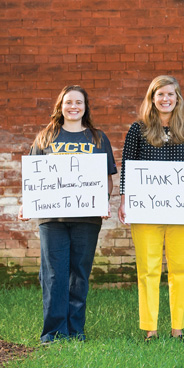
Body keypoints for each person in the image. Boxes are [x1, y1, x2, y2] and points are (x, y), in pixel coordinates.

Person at [118, 75, 184, 340]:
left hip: (182, 210)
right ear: (152, 98)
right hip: (146, 210)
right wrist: (124, 200)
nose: (165, 99)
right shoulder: (138, 129)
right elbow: (127, 167)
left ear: (177, 98)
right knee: (148, 270)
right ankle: (150, 328)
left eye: (170, 94)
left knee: (180, 268)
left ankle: (178, 328)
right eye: (160, 94)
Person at [18, 85, 117, 344]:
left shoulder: (97, 138)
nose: (73, 107)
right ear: (60, 106)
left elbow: (107, 179)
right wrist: (25, 203)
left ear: (86, 107)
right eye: (68, 102)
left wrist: (104, 201)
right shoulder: (45, 137)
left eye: (79, 103)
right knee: (53, 274)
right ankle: (53, 333)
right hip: (52, 220)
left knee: (79, 273)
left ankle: (76, 331)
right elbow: (33, 177)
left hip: (87, 219)